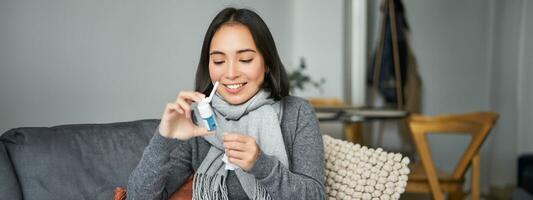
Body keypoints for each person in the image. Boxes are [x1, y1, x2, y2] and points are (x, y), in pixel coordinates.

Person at [127, 7, 325, 200]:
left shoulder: (297, 113)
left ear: (267, 64)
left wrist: (261, 165)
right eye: (219, 61)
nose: (230, 74)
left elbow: (315, 196)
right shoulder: (198, 123)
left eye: (245, 59)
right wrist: (164, 139)